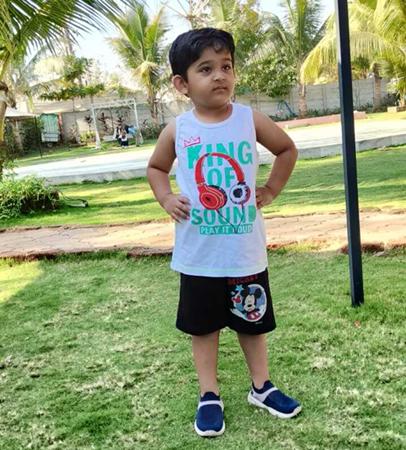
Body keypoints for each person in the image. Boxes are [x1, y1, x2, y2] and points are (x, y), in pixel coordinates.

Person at [147, 28, 300, 438]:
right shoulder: (178, 130)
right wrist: (166, 197)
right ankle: (209, 395)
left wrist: (270, 189)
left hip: (244, 252)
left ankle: (261, 387)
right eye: (205, 69)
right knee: (203, 328)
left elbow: (287, 149)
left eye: (226, 66)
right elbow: (156, 168)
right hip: (199, 256)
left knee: (252, 323)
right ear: (182, 84)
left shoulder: (250, 119)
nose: (219, 75)